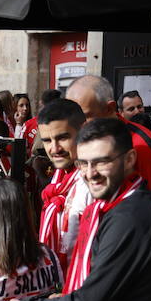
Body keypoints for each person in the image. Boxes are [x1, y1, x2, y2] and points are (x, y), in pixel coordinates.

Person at [2, 118, 151, 301]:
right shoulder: (135, 203)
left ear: (129, 160)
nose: (90, 173)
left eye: (101, 162)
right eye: (83, 164)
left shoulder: (130, 217)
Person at [65, 74, 151, 251]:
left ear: (110, 109)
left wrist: (141, 265)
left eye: (84, 118)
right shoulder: (81, 142)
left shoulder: (141, 147)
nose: (76, 127)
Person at [35, 98, 92, 273]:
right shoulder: (61, 175)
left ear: (83, 131)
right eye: (47, 141)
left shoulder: (94, 182)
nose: (54, 148)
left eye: (63, 138)